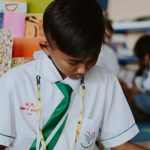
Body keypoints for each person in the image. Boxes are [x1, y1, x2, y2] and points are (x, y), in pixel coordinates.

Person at [0, 0, 148, 149]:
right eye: (73, 62)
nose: (83, 70)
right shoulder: (14, 83)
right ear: (47, 47)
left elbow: (121, 146)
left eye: (91, 59)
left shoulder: (106, 82)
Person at [126, 35, 150, 122]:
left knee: (134, 100)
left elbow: (147, 84)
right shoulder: (146, 69)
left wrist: (138, 87)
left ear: (146, 56)